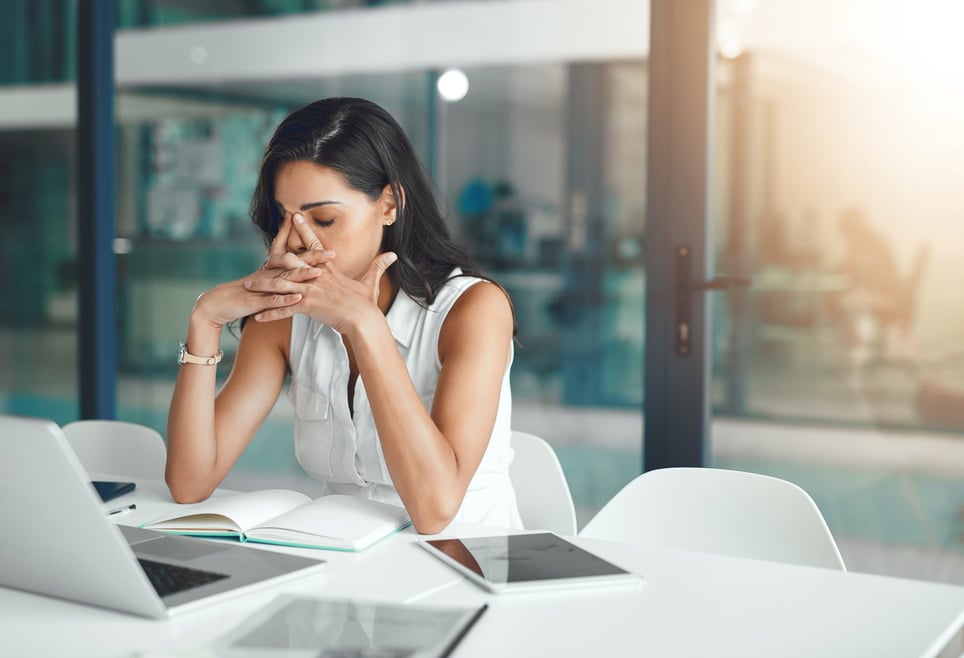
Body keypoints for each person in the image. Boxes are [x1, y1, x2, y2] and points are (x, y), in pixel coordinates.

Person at [166, 97, 522, 534]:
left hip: (464, 561)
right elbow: (189, 482)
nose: (298, 241)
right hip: (342, 566)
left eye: (325, 219)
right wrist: (204, 322)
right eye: (284, 217)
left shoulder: (473, 309)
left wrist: (365, 325)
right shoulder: (283, 316)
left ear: (389, 205)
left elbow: (435, 509)